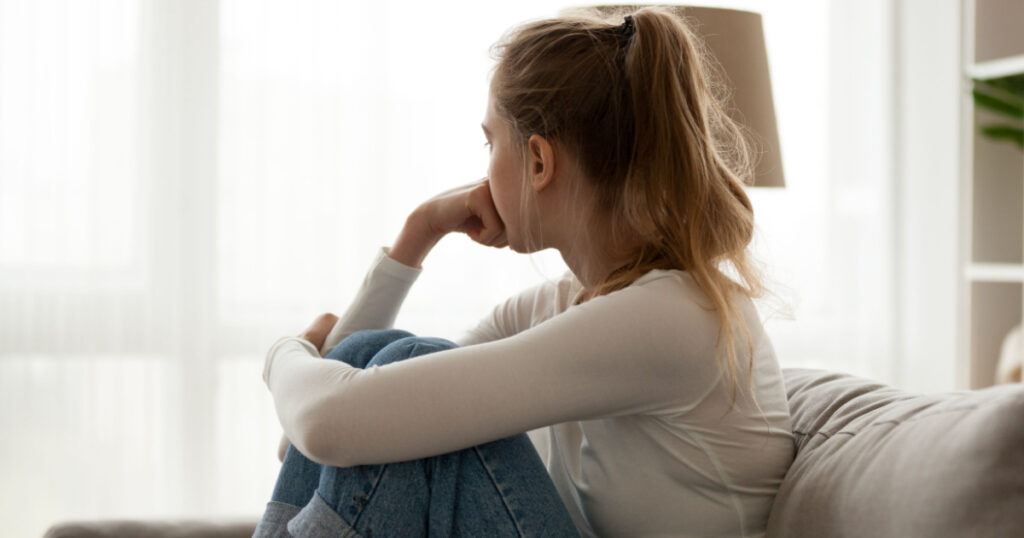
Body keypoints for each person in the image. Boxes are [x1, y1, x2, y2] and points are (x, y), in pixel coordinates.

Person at [255, 6, 795, 537]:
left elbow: (327, 423)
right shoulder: (563, 305)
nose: (484, 168)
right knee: (387, 366)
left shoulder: (672, 317)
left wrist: (284, 353)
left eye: (490, 143)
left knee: (410, 361)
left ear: (539, 162)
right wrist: (418, 233)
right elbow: (315, 435)